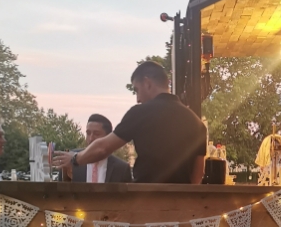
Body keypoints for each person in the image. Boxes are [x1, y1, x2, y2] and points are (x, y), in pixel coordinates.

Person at [53, 61, 207, 184]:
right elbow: (197, 175)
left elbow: (103, 148)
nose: (138, 99)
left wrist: (75, 159)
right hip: (183, 207)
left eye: (137, 90)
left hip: (146, 202)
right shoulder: (196, 122)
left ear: (147, 83)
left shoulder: (140, 112)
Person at [61, 114, 132, 183]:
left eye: (96, 134)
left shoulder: (121, 169)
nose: (91, 138)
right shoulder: (70, 160)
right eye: (88, 133)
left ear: (108, 137)